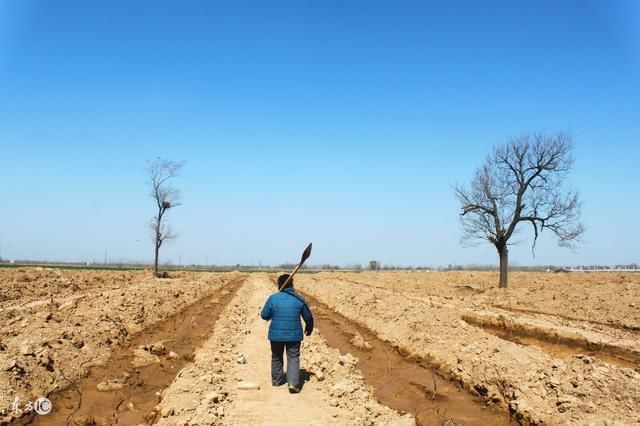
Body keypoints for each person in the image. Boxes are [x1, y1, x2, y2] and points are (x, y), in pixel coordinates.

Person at [260, 273, 314, 393]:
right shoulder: (299, 299)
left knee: (276, 357)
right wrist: (309, 328)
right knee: (293, 357)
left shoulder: (273, 298)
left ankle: (277, 381)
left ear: (279, 285)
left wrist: (272, 312)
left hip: (276, 336)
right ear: (292, 284)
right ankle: (293, 383)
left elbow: (264, 315)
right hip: (294, 336)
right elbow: (308, 317)